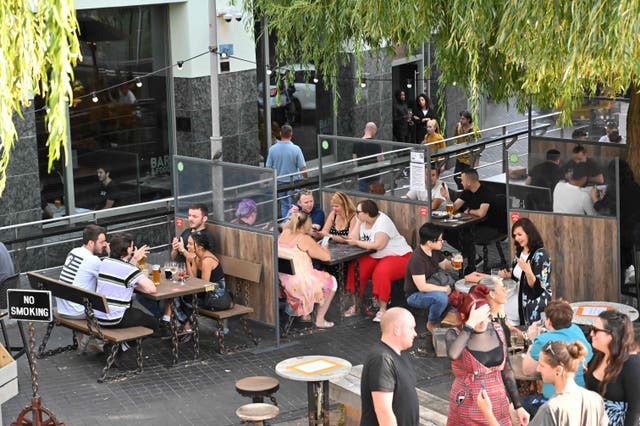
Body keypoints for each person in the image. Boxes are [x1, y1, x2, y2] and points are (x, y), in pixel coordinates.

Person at [446, 285, 529, 425]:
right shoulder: (455, 334)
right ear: (463, 317)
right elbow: (453, 354)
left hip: (498, 403)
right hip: (469, 403)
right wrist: (470, 324)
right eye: (477, 319)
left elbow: (507, 369)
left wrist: (518, 406)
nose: (483, 322)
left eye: (486, 316)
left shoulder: (497, 329)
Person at [478, 341, 608, 426]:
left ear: (558, 370)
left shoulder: (551, 409)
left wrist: (487, 412)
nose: (538, 369)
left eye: (542, 365)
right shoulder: (595, 399)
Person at [521, 300, 593, 415]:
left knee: (516, 406)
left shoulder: (543, 340)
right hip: (580, 395)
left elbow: (527, 370)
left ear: (548, 321)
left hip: (554, 400)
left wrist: (532, 340)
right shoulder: (576, 329)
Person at [344, 200, 412, 322]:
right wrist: (358, 222)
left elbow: (378, 245)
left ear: (367, 213)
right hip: (376, 254)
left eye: (358, 212)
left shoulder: (382, 222)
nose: (355, 214)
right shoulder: (363, 220)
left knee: (381, 272)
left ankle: (383, 309)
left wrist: (357, 243)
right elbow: (352, 238)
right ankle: (357, 304)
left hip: (399, 255)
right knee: (356, 266)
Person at [94, 233, 164, 338]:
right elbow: (151, 289)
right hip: (115, 318)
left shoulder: (105, 262)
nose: (132, 249)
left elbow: (123, 276)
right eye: (131, 246)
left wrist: (135, 259)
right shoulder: (129, 269)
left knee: (137, 314)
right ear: (127, 250)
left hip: (98, 316)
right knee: (153, 324)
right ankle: (123, 347)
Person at [360, 307, 419, 426]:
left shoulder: (398, 355)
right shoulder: (382, 359)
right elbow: (383, 411)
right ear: (397, 330)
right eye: (411, 328)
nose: (415, 333)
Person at [278, 212, 337, 328]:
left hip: (282, 280)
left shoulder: (284, 233)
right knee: (332, 281)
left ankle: (305, 314)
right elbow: (326, 257)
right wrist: (324, 248)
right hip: (300, 283)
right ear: (305, 225)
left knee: (316, 275)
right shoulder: (304, 239)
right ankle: (320, 320)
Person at [442, 168, 505, 273]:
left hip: (493, 227)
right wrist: (447, 198)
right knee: (448, 233)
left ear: (469, 182)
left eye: (462, 180)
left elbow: (481, 213)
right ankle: (472, 255)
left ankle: (471, 268)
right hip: (476, 225)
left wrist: (469, 211)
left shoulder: (486, 192)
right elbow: (454, 208)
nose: (461, 182)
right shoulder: (467, 192)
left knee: (467, 236)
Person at [586, 310, 640, 426]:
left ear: (612, 335)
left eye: (595, 330)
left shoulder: (632, 364)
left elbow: (635, 411)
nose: (591, 334)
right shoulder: (599, 355)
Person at [404, 223, 456, 335]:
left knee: (458, 294)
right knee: (441, 298)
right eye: (440, 240)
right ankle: (433, 322)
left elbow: (445, 265)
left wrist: (455, 263)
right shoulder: (417, 259)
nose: (442, 242)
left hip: (432, 285)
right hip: (415, 294)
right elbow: (422, 287)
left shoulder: (434, 251)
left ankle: (449, 319)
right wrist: (443, 289)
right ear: (429, 242)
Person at [498, 218, 552, 326]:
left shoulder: (541, 255)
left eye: (520, 234)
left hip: (531, 302)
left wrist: (528, 271)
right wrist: (508, 275)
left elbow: (537, 288)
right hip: (516, 295)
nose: (517, 238)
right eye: (515, 236)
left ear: (529, 233)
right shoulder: (520, 251)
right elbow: (518, 276)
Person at [591, 160, 640, 274]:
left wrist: (595, 199)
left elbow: (603, 210)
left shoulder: (615, 190)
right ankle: (629, 270)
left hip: (625, 237)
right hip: (636, 233)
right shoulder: (635, 186)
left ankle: (617, 274)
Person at [58, 225, 109, 319]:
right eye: (101, 242)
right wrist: (111, 254)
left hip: (63, 308)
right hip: (78, 311)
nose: (105, 244)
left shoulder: (74, 251)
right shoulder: (93, 260)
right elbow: (112, 278)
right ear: (91, 243)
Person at [265, 124, 308, 217]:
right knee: (294, 205)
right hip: (293, 183)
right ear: (291, 134)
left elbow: (268, 168)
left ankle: (286, 224)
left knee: (284, 205)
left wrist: (269, 182)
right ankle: (291, 224)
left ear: (280, 134)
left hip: (279, 183)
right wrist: (306, 179)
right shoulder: (296, 149)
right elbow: (303, 168)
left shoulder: (272, 149)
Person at [352, 122, 384, 192]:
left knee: (363, 198)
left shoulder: (356, 143)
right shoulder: (376, 143)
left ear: (365, 130)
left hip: (362, 176)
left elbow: (354, 162)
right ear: (373, 130)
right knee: (374, 197)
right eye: (375, 131)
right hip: (374, 176)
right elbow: (381, 159)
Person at [453, 110, 480, 189]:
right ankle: (462, 192)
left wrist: (477, 161)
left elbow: (479, 145)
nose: (461, 120)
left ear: (468, 119)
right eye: (460, 118)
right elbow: (455, 138)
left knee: (467, 179)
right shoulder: (458, 126)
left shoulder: (474, 129)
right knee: (456, 177)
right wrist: (455, 145)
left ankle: (465, 194)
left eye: (463, 119)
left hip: (469, 158)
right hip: (460, 157)